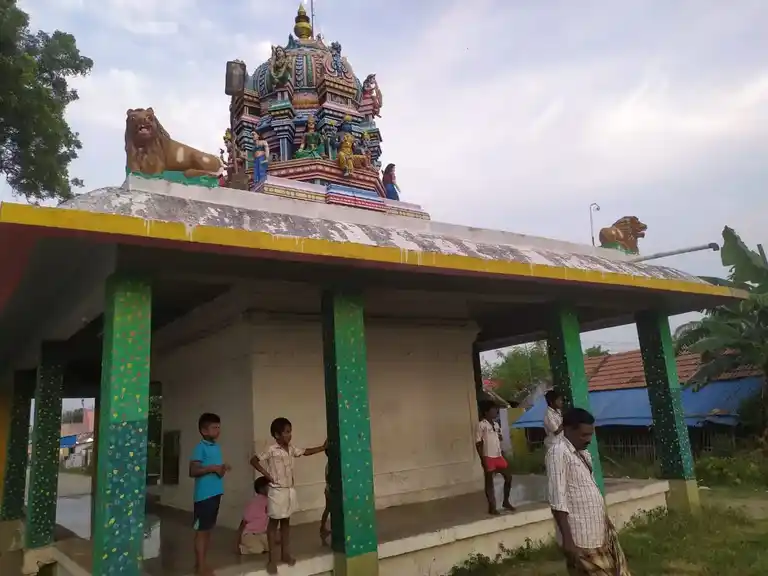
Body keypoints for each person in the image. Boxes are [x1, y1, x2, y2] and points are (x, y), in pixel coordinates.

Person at [546, 408, 631, 576]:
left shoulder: (582, 453)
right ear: (568, 429)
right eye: (583, 435)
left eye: (590, 435)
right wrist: (568, 540)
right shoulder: (558, 453)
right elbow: (557, 499)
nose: (588, 440)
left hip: (598, 530)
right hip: (580, 537)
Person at [249, 417, 326, 575]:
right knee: (273, 524)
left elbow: (305, 452)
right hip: (276, 491)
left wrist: (322, 448)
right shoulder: (271, 449)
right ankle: (272, 559)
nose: (289, 435)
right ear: (277, 435)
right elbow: (254, 460)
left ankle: (285, 554)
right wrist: (266, 474)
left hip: (289, 490)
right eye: (286, 432)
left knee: (285, 522)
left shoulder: (291, 449)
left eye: (290, 432)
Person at [189, 413, 231, 576]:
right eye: (214, 427)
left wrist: (222, 469)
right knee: (201, 531)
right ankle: (200, 568)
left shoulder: (216, 448)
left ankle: (201, 564)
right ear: (204, 430)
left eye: (219, 427)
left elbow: (217, 472)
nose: (218, 430)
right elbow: (193, 470)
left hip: (215, 494)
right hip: (203, 496)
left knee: (207, 531)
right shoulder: (200, 448)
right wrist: (211, 468)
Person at [475, 401, 516, 515]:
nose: (495, 411)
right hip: (488, 456)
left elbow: (499, 439)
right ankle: (492, 506)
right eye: (493, 409)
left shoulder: (496, 424)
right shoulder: (481, 425)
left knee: (508, 477)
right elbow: (478, 443)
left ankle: (506, 501)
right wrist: (482, 458)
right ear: (486, 412)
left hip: (498, 455)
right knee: (489, 482)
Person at [237, 477, 271, 556]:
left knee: (270, 547)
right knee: (258, 549)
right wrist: (237, 541)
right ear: (262, 489)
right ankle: (242, 549)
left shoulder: (268, 500)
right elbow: (244, 522)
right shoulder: (255, 502)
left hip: (261, 533)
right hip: (250, 534)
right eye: (269, 486)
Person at [319, 449, 331, 546]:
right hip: (330, 491)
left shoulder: (329, 464)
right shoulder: (330, 465)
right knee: (328, 509)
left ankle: (323, 527)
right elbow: (329, 478)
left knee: (328, 509)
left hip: (328, 490)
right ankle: (322, 527)